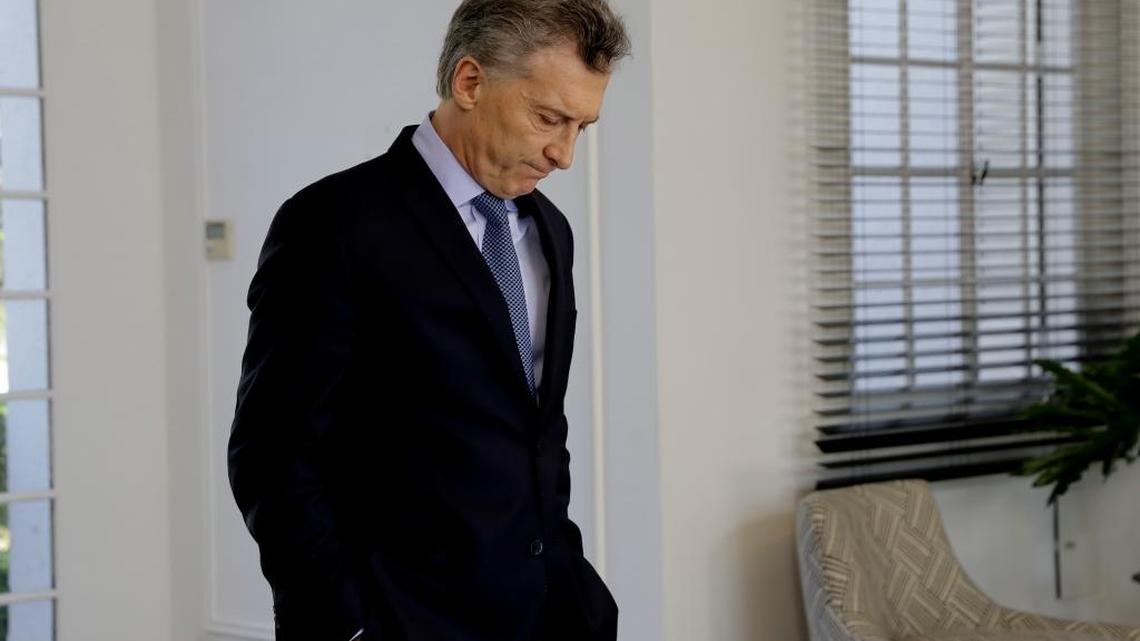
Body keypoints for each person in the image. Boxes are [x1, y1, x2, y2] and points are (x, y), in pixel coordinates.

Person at [226, 1, 631, 639]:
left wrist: (575, 595)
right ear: (469, 82)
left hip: (543, 615)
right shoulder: (333, 222)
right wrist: (344, 625)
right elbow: (273, 454)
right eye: (550, 118)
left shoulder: (551, 231)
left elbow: (535, 434)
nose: (564, 154)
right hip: (397, 620)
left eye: (583, 126)